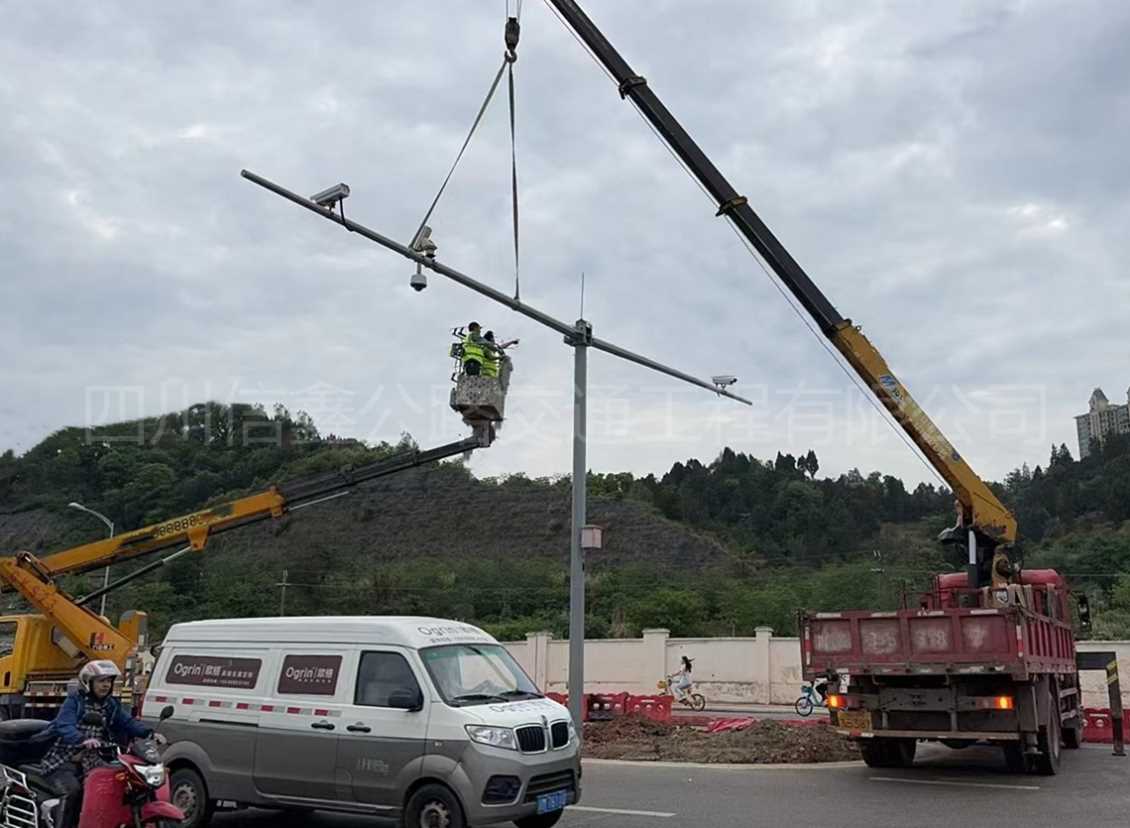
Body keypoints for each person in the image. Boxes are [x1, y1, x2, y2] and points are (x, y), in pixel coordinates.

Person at [39, 660, 159, 827]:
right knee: (73, 791)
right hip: (64, 758)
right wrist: (82, 739)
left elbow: (127, 722)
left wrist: (149, 733)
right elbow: (63, 724)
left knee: (118, 786)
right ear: (88, 682)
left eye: (108, 681)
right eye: (101, 681)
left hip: (93, 760)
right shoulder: (75, 701)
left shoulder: (110, 704)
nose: (106, 685)